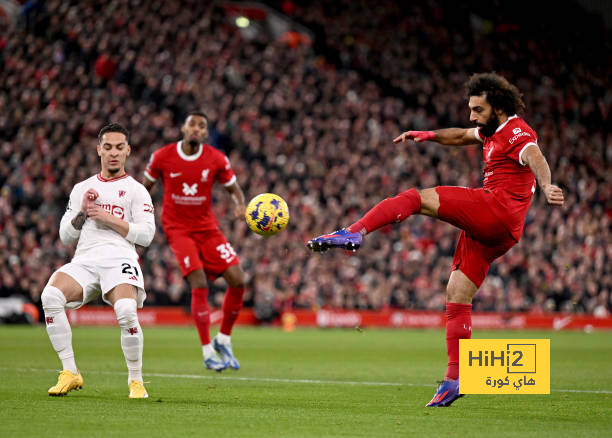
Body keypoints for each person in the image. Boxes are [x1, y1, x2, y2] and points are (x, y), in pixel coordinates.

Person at [307, 73, 564, 407]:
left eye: (477, 109)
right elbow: (459, 135)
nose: (472, 115)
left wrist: (547, 185)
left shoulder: (517, 130)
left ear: (499, 108)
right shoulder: (491, 131)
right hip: (502, 233)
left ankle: (354, 232)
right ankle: (455, 379)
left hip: (495, 210)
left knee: (416, 198)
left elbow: (535, 156)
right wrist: (427, 135)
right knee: (457, 293)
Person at [43, 123, 155, 398]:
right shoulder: (83, 188)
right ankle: (70, 372)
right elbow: (65, 236)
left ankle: (136, 381)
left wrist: (107, 218)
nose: (113, 153)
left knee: (127, 310)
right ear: (98, 150)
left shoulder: (136, 190)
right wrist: (82, 212)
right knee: (50, 296)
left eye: (119, 147)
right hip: (86, 258)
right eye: (108, 147)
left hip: (120, 258)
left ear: (128, 151)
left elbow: (147, 235)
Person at [143, 111, 247, 371]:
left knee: (238, 279)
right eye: (192, 124)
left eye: (202, 126)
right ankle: (207, 351)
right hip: (178, 228)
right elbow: (144, 189)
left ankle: (223, 339)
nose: (196, 129)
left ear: (205, 133)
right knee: (198, 281)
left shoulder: (216, 159)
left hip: (207, 227)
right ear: (183, 127)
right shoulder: (162, 156)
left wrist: (240, 205)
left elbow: (234, 188)